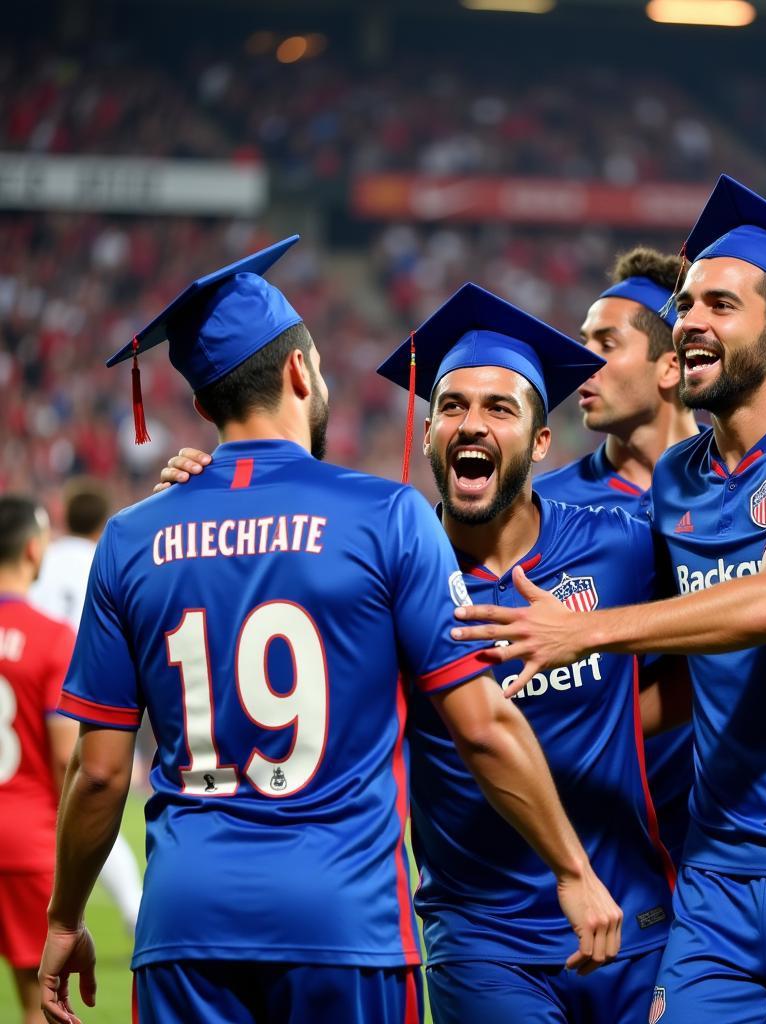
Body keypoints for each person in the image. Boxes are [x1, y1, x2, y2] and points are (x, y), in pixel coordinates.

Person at [39, 238, 621, 1024]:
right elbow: (481, 726)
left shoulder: (131, 539)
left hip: (185, 923)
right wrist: (573, 868)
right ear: (300, 373)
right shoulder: (387, 516)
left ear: (205, 405)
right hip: (345, 923)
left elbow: (102, 774)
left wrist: (65, 919)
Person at [453, 176, 766, 1024]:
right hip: (715, 877)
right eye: (686, 304)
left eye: (722, 303)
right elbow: (523, 528)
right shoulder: (675, 483)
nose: (692, 320)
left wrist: (586, 632)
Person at [165, 282, 676, 1024]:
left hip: (637, 924)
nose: (472, 423)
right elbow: (259, 579)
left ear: (540, 444)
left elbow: (716, 650)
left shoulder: (623, 544)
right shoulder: (383, 562)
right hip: (481, 937)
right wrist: (216, 488)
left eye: (499, 409)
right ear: (430, 433)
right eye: (452, 408)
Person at [535, 245, 766, 865]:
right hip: (694, 849)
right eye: (686, 305)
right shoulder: (653, 486)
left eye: (606, 344)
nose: (581, 368)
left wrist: (582, 632)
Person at [30, 479, 144, 936]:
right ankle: (134, 910)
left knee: (52, 803)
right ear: (100, 521)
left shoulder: (43, 558)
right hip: (86, 697)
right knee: (91, 794)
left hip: (29, 690)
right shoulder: (108, 557)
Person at [0, 496, 78, 1024]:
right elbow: (65, 757)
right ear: (34, 548)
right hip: (27, 843)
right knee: (42, 1004)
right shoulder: (53, 639)